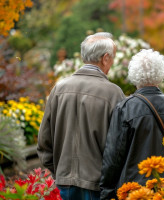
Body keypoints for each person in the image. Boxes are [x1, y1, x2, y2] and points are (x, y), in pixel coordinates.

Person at [37, 32, 126, 200]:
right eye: (112, 58)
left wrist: (60, 172)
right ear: (105, 58)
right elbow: (120, 145)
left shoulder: (59, 89)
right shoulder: (113, 93)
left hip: (65, 182)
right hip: (97, 184)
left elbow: (44, 142)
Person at [100, 49, 164, 199]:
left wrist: (106, 191)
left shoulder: (125, 108)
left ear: (134, 75)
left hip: (134, 189)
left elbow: (114, 156)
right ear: (161, 74)